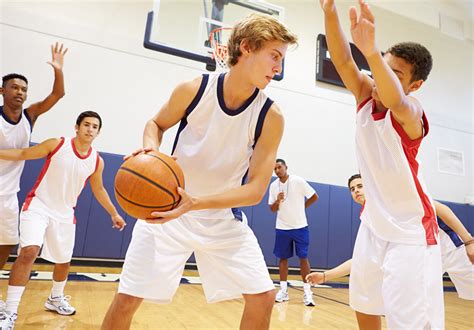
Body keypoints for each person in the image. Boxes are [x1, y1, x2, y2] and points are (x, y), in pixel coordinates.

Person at [101, 13, 297, 330]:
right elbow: (156, 124)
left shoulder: (270, 116)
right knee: (127, 298)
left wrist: (196, 202)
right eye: (274, 56)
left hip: (220, 219)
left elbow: (255, 191)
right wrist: (150, 149)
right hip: (165, 215)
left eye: (282, 59)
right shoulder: (195, 89)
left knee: (262, 297)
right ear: (246, 47)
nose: (279, 67)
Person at [321, 0, 443, 328]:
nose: (377, 76)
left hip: (411, 231)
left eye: (393, 72)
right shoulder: (365, 94)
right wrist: (329, 12)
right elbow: (344, 59)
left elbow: (395, 100)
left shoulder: (411, 111)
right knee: (365, 304)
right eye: (380, 67)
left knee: (407, 321)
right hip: (374, 224)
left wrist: (373, 53)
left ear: (415, 85)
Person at [0, 111, 126, 329]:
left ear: (98, 132)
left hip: (65, 212)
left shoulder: (97, 161)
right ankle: (10, 311)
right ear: (76, 127)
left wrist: (114, 213)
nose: (90, 129)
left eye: (95, 126)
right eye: (86, 124)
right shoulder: (57, 144)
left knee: (63, 261)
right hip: (38, 205)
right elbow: (23, 152)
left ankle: (55, 299)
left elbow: (98, 189)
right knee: (29, 251)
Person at [306, 175, 474, 327]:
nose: (356, 190)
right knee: (420, 314)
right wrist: (325, 276)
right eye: (352, 189)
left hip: (453, 250)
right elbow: (361, 260)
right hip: (425, 260)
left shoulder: (391, 197)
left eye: (360, 186)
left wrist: (469, 241)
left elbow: (441, 209)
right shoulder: (369, 217)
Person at [0, 43, 68, 275]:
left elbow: (58, 94)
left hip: (8, 195)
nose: (19, 92)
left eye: (23, 89)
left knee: (7, 243)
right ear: (3, 91)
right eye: (14, 87)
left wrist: (58, 69)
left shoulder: (30, 115)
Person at [268, 158, 318, 306]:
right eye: (275, 169)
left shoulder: (298, 181)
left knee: (303, 258)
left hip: (300, 226)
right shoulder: (273, 186)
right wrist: (277, 201)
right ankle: (283, 290)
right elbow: (271, 209)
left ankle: (307, 292)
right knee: (283, 258)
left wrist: (302, 208)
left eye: (279, 167)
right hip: (282, 227)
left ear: (286, 167)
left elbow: (314, 196)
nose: (277, 170)